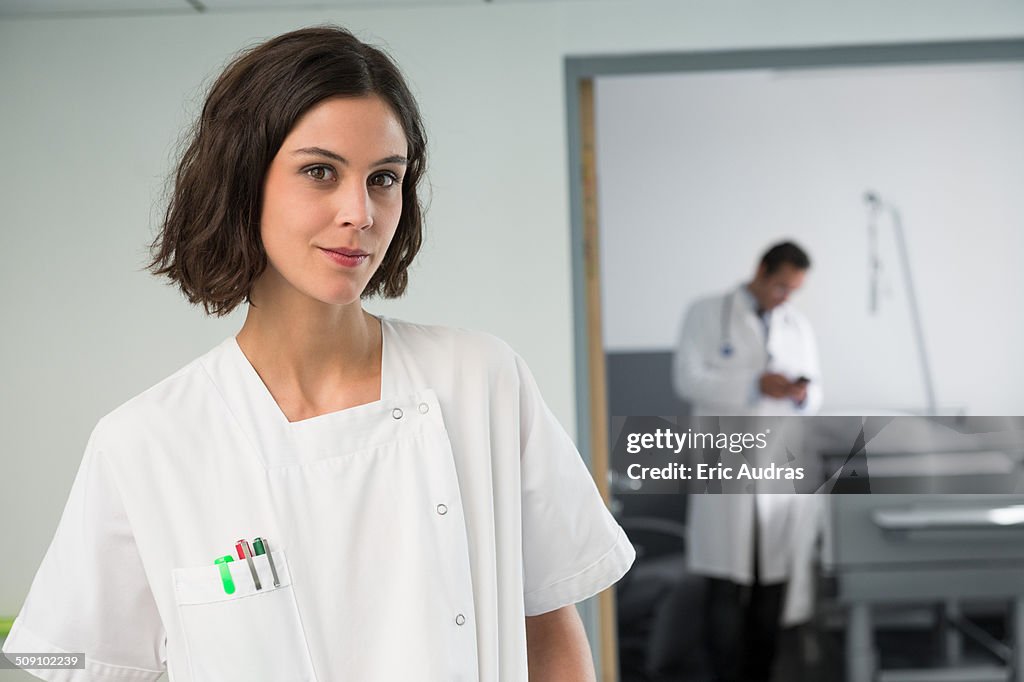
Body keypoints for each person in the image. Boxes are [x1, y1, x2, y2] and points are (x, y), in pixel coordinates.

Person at [1, 26, 634, 681]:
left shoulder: (481, 381)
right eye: (320, 171)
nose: (359, 212)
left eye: (383, 178)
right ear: (243, 179)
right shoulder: (146, 442)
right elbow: (68, 656)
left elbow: (550, 633)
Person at [672, 241, 822, 682]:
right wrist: (755, 385)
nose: (785, 297)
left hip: (777, 469)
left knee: (771, 585)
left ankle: (762, 673)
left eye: (793, 289)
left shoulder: (797, 325)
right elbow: (689, 379)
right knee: (724, 585)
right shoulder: (706, 313)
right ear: (760, 269)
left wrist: (800, 393)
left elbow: (817, 394)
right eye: (780, 285)